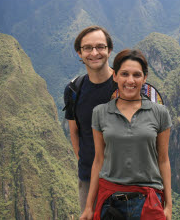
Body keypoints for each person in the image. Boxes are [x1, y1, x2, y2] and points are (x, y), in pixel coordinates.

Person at [80, 49, 172, 220]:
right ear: (115, 76)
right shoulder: (100, 113)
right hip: (111, 201)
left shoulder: (160, 113)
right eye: (124, 74)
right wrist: (88, 207)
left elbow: (163, 160)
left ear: (144, 78)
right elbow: (98, 160)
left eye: (136, 75)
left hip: (148, 200)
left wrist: (168, 206)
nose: (130, 80)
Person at [63, 26, 116, 213]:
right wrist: (85, 163)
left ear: (109, 50)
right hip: (88, 180)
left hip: (126, 179)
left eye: (100, 47)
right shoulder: (74, 90)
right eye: (88, 48)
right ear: (80, 52)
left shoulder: (126, 85)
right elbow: (74, 131)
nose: (94, 53)